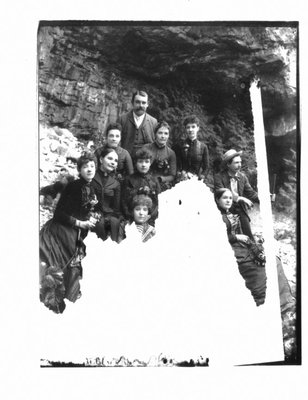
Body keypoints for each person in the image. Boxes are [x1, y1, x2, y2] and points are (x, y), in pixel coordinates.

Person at [40, 153, 102, 313]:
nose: (89, 169)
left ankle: (69, 299)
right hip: (62, 230)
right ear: (79, 170)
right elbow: (59, 214)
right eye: (85, 166)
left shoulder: (94, 187)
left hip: (79, 231)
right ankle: (54, 301)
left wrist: (93, 216)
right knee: (61, 264)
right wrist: (80, 222)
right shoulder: (73, 187)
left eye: (92, 166)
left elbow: (92, 208)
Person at [215, 188, 267, 306]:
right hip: (229, 248)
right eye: (224, 198)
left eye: (230, 198)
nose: (228, 200)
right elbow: (217, 236)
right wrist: (236, 237)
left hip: (239, 246)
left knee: (268, 258)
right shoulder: (216, 217)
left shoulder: (229, 214)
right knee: (254, 267)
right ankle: (259, 300)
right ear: (217, 200)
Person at [214, 149, 259, 240]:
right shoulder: (219, 177)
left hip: (240, 209)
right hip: (224, 210)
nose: (239, 165)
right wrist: (239, 198)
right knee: (226, 237)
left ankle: (253, 250)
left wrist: (265, 198)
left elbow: (251, 193)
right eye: (236, 163)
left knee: (248, 236)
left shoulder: (242, 177)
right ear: (228, 164)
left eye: (240, 162)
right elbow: (222, 194)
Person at [121, 148, 161, 224]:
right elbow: (124, 202)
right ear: (135, 163)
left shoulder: (154, 181)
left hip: (150, 219)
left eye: (146, 162)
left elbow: (158, 202)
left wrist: (151, 216)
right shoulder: (128, 180)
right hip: (132, 219)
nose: (143, 165)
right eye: (140, 161)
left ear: (150, 163)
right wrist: (130, 216)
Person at [91, 147, 122, 242]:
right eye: (110, 158)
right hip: (92, 213)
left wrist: (112, 217)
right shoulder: (91, 177)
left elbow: (116, 208)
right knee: (99, 224)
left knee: (115, 222)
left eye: (115, 161)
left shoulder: (115, 183)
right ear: (101, 159)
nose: (113, 162)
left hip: (109, 214)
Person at [118, 90, 157, 158]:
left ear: (147, 104)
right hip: (126, 159)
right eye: (137, 102)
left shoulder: (153, 122)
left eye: (143, 103)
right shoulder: (122, 119)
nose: (141, 105)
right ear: (132, 103)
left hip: (146, 161)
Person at [142, 121, 177, 191]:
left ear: (169, 135)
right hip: (144, 181)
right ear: (155, 134)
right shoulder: (146, 148)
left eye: (166, 133)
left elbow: (172, 175)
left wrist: (161, 179)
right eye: (160, 133)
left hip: (162, 184)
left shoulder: (171, 153)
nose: (163, 136)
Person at [175, 115, 209, 182]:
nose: (190, 130)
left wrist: (201, 177)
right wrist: (180, 174)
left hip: (197, 180)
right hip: (182, 180)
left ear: (198, 128)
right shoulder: (179, 145)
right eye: (188, 127)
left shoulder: (203, 147)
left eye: (193, 127)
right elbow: (176, 165)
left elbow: (206, 168)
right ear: (185, 129)